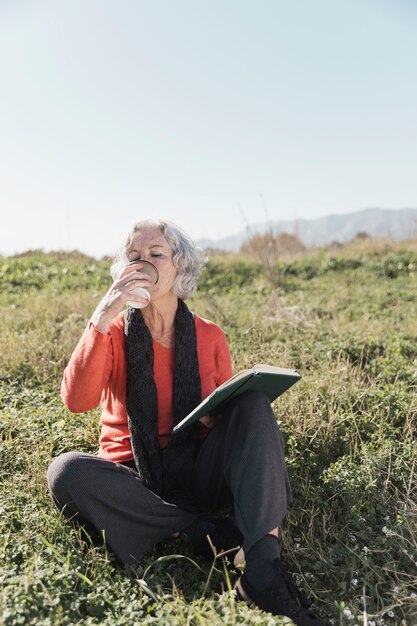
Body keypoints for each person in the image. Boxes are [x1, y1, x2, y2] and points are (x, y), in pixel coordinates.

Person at [47, 219, 325, 626]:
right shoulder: (113, 331)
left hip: (194, 463)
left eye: (155, 254)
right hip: (133, 474)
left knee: (252, 406)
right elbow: (76, 401)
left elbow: (222, 413)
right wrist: (104, 313)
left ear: (180, 267)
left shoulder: (209, 336)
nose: (143, 264)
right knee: (66, 471)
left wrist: (216, 418)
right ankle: (203, 531)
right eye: (134, 257)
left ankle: (262, 571)